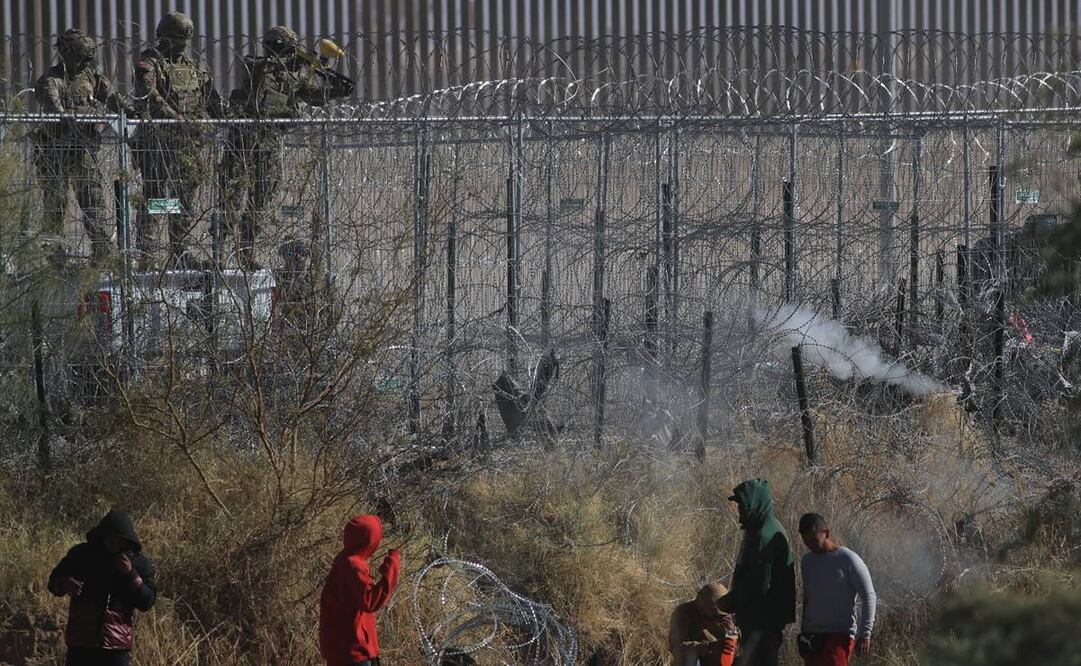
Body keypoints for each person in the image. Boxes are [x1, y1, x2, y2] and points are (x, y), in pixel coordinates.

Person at [221, 26, 353, 269]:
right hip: (243, 139)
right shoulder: (256, 65)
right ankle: (219, 254)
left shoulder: (295, 73)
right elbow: (261, 77)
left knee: (261, 199)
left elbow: (313, 95)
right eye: (290, 48)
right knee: (232, 197)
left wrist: (335, 90)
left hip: (269, 141)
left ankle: (245, 254)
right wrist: (298, 61)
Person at [132, 11, 226, 270]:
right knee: (155, 196)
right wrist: (178, 118)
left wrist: (229, 120)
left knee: (184, 199)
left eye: (184, 41)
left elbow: (211, 99)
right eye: (176, 40)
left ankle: (179, 251)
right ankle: (148, 253)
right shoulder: (150, 63)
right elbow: (148, 95)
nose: (180, 46)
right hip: (158, 143)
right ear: (163, 37)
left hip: (188, 145)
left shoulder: (193, 67)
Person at [33, 28, 131, 263]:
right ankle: (54, 254)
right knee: (55, 205)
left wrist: (131, 111)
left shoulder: (92, 78)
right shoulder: (52, 79)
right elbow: (52, 105)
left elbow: (116, 99)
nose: (86, 62)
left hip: (83, 150)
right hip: (55, 151)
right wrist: (69, 116)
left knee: (93, 201)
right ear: (68, 54)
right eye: (82, 56)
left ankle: (101, 251)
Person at [47, 510, 157, 666]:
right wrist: (65, 583)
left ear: (127, 541)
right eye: (111, 539)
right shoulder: (81, 555)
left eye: (119, 541)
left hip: (116, 648)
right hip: (80, 644)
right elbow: (53, 583)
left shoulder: (139, 563)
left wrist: (131, 574)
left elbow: (147, 602)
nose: (114, 544)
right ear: (102, 536)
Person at [717, 479, 796, 666]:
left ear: (755, 503)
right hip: (758, 623)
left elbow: (759, 586)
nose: (740, 512)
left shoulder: (764, 536)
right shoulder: (758, 530)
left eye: (742, 506)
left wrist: (732, 601)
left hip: (762, 624)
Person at [318, 514, 400, 666]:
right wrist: (392, 568)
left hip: (346, 649)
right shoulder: (353, 566)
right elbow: (370, 601)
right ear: (369, 541)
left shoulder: (346, 558)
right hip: (352, 653)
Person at [796, 513, 876, 666]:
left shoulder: (848, 559)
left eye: (814, 540)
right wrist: (804, 630)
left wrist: (865, 633)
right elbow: (808, 596)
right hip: (812, 638)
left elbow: (868, 595)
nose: (810, 545)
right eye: (806, 542)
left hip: (839, 636)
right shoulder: (807, 561)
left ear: (826, 533)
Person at [668, 582, 739, 666]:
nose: (720, 616)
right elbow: (676, 649)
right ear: (703, 609)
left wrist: (735, 633)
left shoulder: (726, 617)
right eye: (716, 613)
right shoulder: (683, 613)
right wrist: (709, 647)